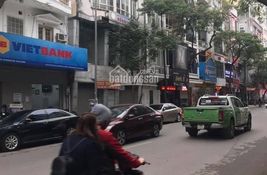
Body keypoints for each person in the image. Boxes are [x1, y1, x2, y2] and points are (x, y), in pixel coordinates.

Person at [89, 103, 145, 174]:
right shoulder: (103, 135)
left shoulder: (76, 134)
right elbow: (120, 154)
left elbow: (108, 152)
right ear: (104, 120)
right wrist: (137, 161)